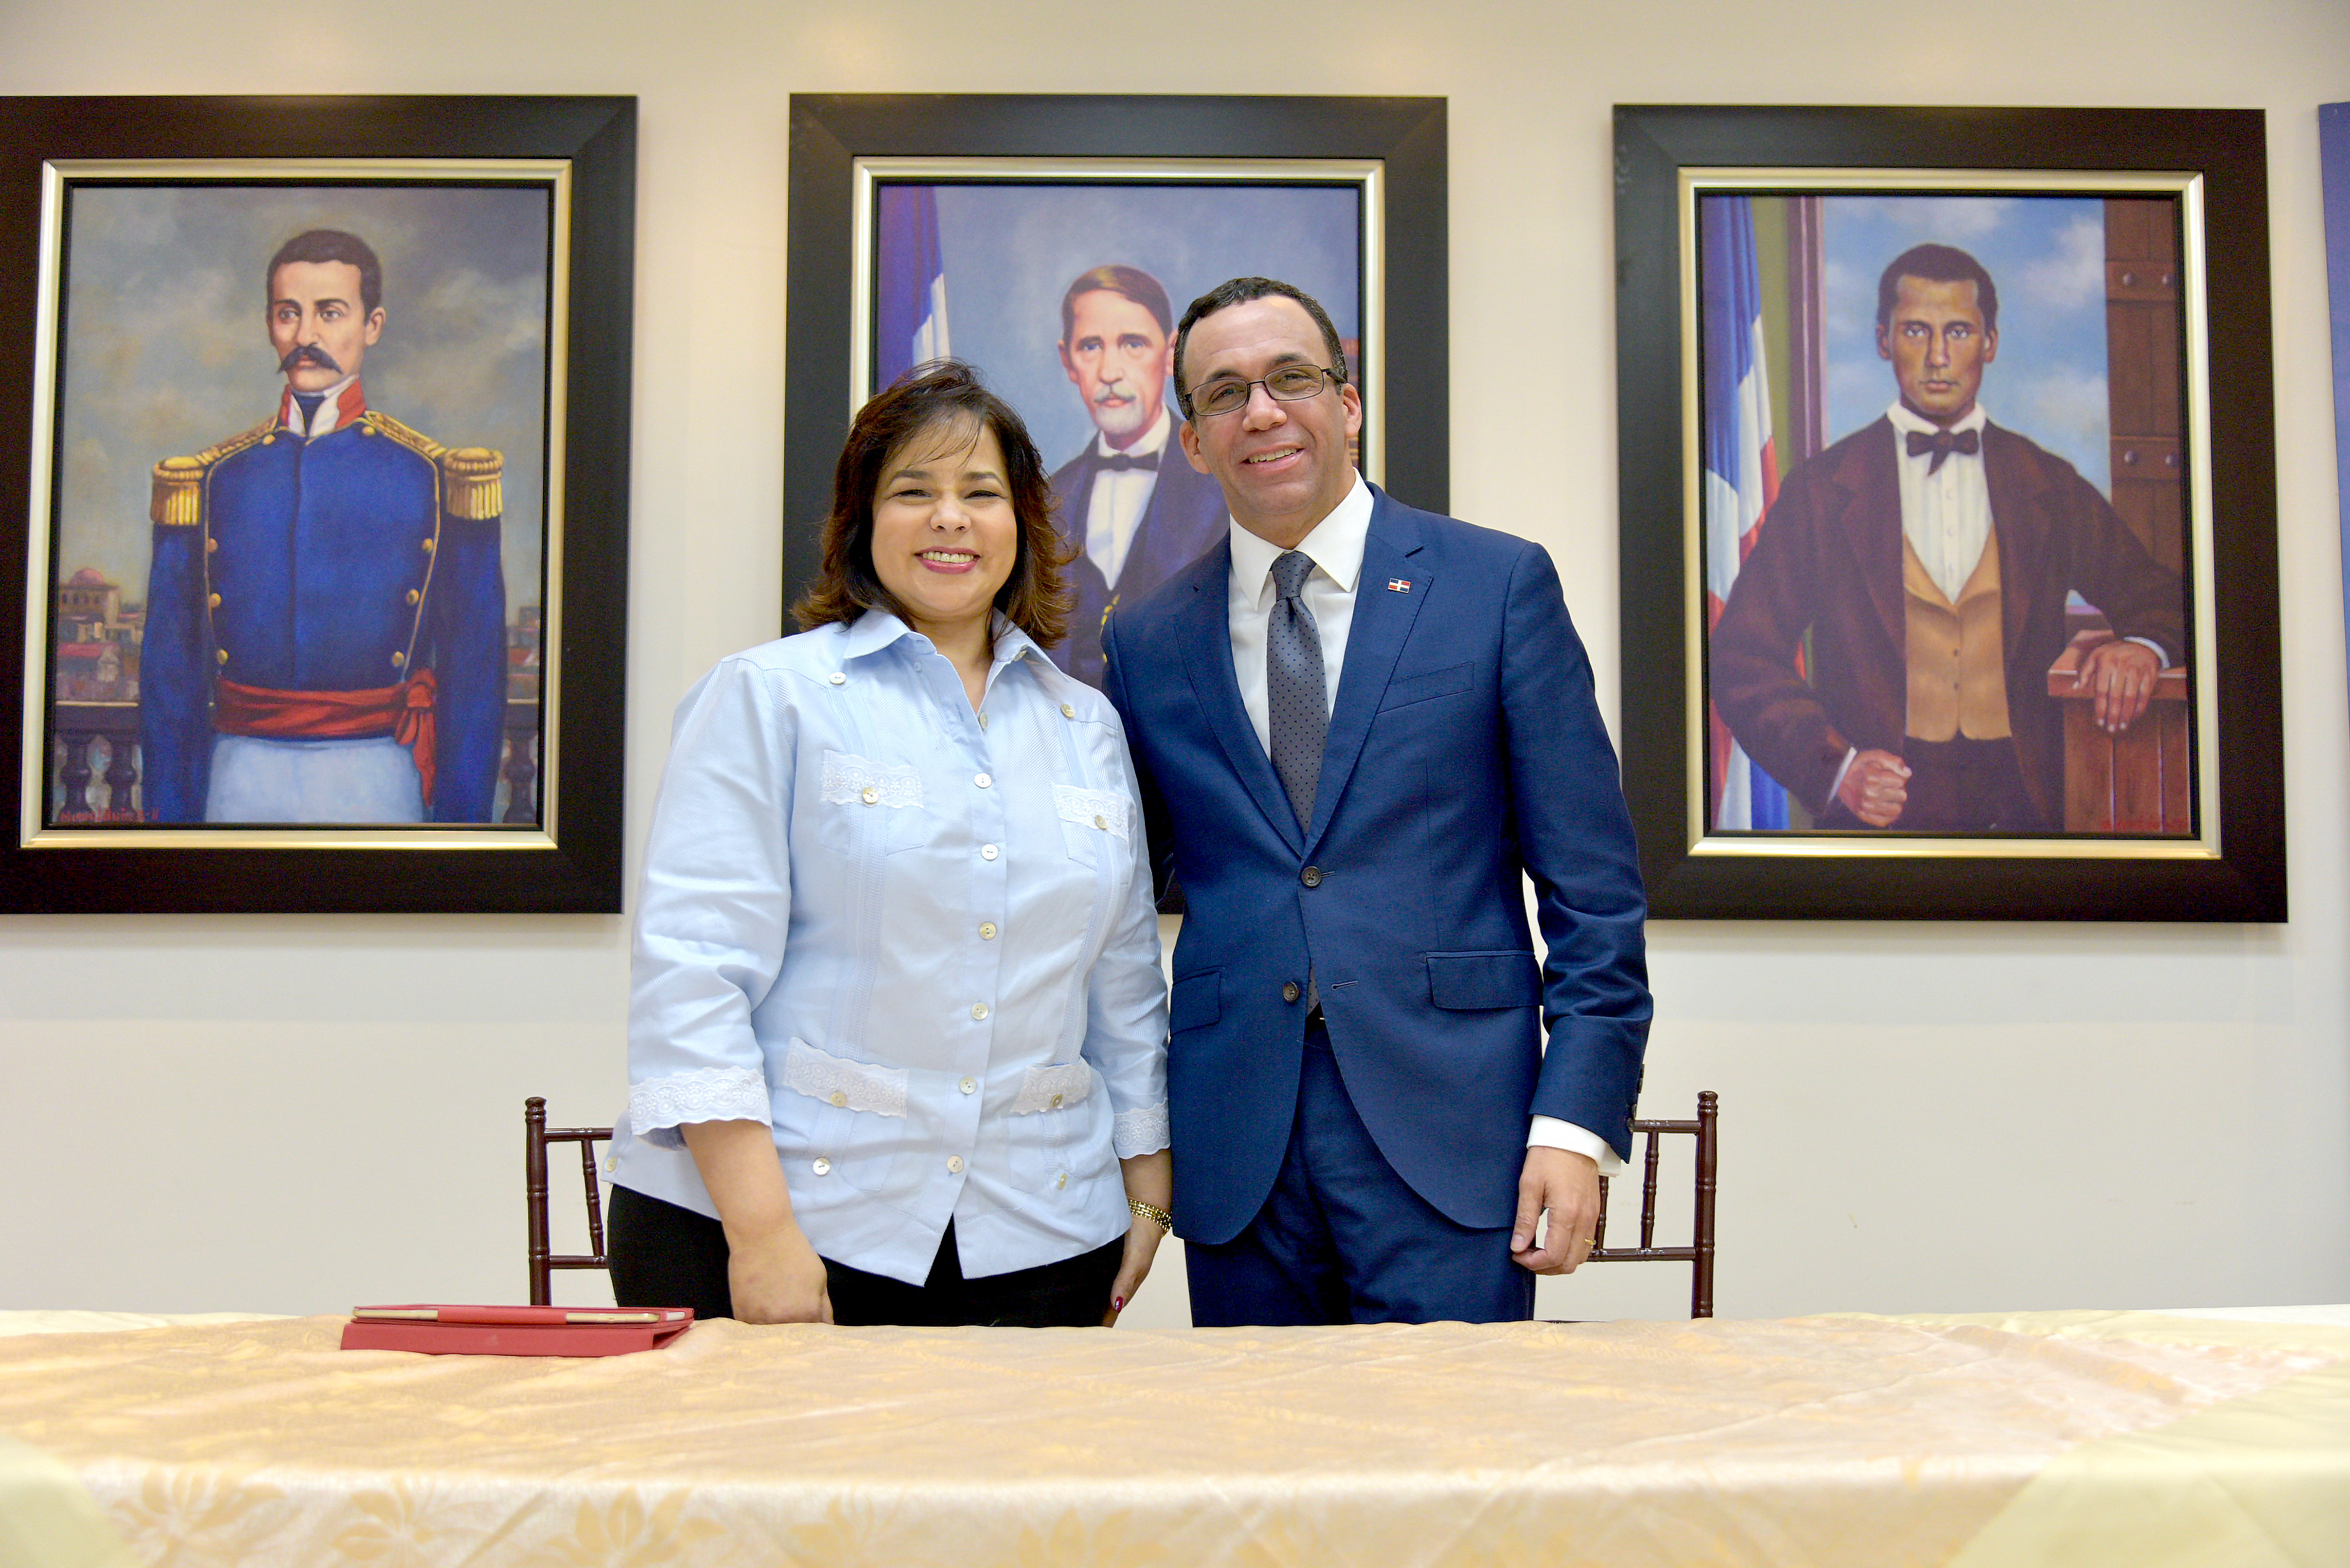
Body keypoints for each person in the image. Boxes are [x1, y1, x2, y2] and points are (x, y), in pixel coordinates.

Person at [1100, 278, 1651, 1325]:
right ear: (1193, 442)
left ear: (1347, 404)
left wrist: (1574, 1126)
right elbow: (1127, 893)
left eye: (1291, 378)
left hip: (1456, 1133)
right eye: (1225, 394)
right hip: (1239, 1148)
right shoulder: (1148, 638)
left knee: (1452, 1435)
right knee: (1254, 1437)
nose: (1263, 412)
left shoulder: (1496, 586)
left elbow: (1596, 896)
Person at [605, 361, 1172, 1327]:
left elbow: (1121, 984)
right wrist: (762, 1234)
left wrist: (1146, 1186)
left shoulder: (1086, 726)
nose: (950, 518)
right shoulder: (768, 697)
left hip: (1040, 1229)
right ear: (862, 521)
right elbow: (694, 977)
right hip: (790, 1222)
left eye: (981, 493)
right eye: (913, 491)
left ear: (1023, 523)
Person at [1709, 242, 2186, 832]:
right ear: (1884, 340)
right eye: (1916, 331)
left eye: (1958, 332)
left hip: (2028, 807)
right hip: (1879, 818)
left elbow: (2162, 595)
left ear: (1990, 343)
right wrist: (1838, 768)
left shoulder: (2049, 483)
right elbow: (1741, 655)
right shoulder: (1822, 490)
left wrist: (2143, 647)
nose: (1938, 357)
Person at [142, 229, 507, 824]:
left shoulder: (437, 478)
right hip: (235, 782)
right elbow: (171, 683)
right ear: (269, 325)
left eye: (329, 313)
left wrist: (462, 835)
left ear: (373, 326)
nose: (306, 336)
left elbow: (474, 679)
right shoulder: (209, 480)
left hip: (382, 783)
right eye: (289, 314)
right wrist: (168, 833)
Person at [1046, 265, 1231, 687]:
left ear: (1170, 355)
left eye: (1133, 344)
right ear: (1068, 360)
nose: (1110, 371)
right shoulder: (1047, 498)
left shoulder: (1225, 485)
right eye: (1091, 346)